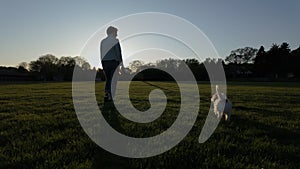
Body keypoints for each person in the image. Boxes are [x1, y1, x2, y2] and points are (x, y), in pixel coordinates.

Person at [100, 26, 123, 102]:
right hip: (114, 62)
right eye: (116, 32)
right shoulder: (115, 40)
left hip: (105, 62)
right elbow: (118, 53)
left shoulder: (103, 41)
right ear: (112, 32)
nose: (117, 34)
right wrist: (121, 64)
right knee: (113, 80)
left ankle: (106, 94)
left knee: (108, 79)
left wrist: (102, 63)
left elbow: (101, 53)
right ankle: (111, 96)